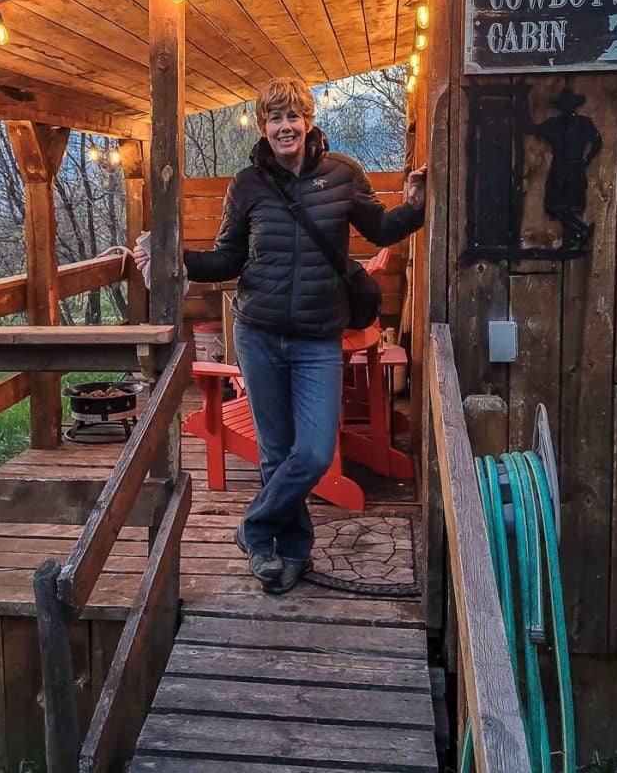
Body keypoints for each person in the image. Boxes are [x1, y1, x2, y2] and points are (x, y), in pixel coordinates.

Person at [133, 78, 426, 594]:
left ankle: (253, 528)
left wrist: (416, 205)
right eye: (274, 118)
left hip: (318, 338)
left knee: (311, 452)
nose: (284, 127)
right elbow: (228, 258)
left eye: (293, 116)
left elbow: (381, 230)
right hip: (259, 334)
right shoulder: (247, 184)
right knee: (276, 452)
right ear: (264, 126)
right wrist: (172, 258)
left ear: (308, 120)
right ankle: (283, 554)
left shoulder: (342, 174)